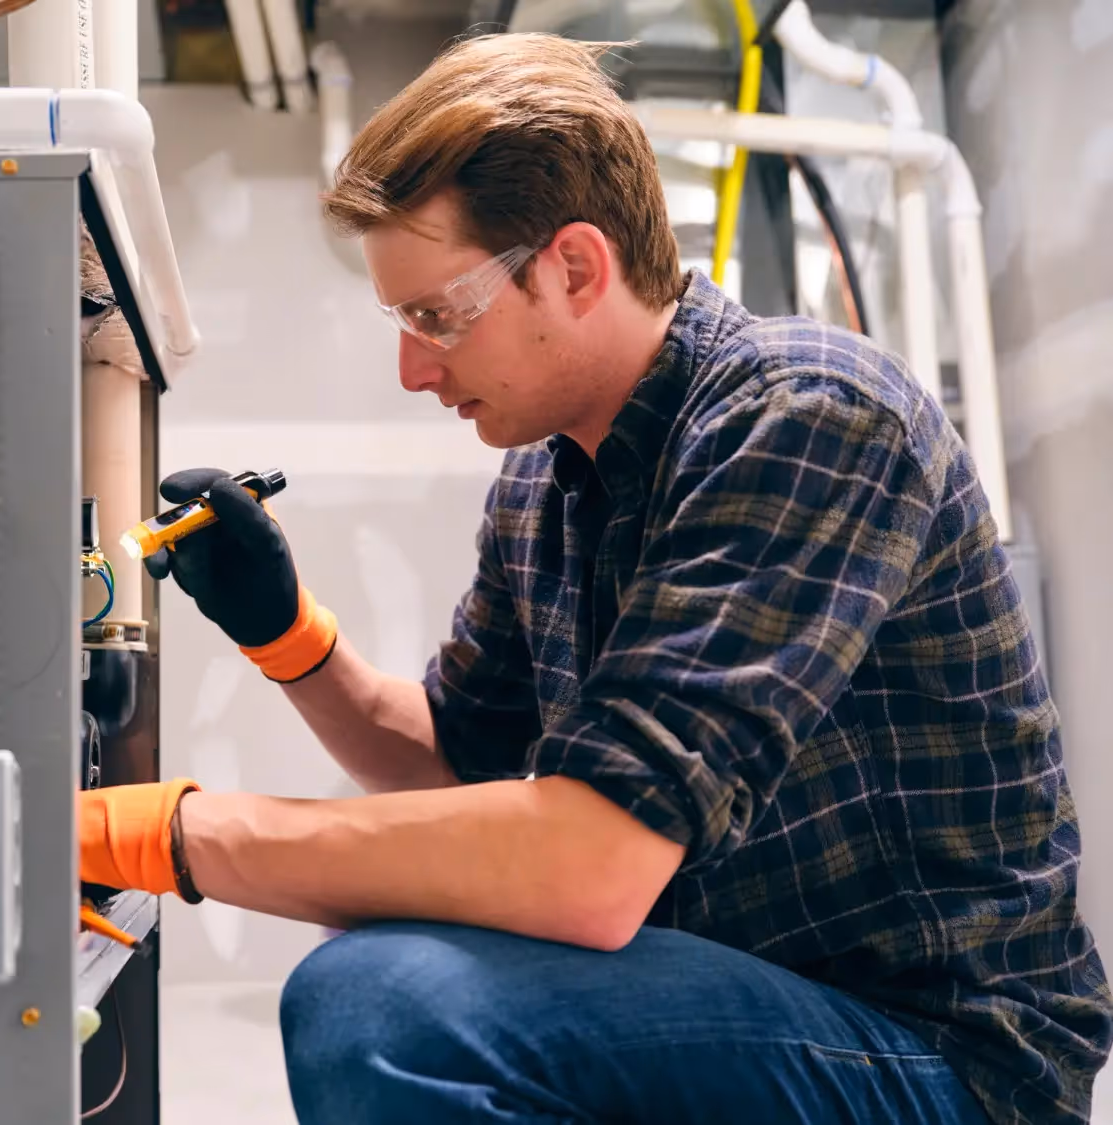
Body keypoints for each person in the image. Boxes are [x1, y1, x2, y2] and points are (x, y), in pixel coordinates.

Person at [77, 31, 1112, 1125]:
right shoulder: (543, 482)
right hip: (754, 1001)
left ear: (573, 266)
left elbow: (587, 865)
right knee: (393, 945)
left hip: (946, 1058)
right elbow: (452, 764)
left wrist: (165, 837)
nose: (412, 368)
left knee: (382, 1000)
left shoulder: (809, 416)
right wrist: (288, 635)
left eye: (435, 315)